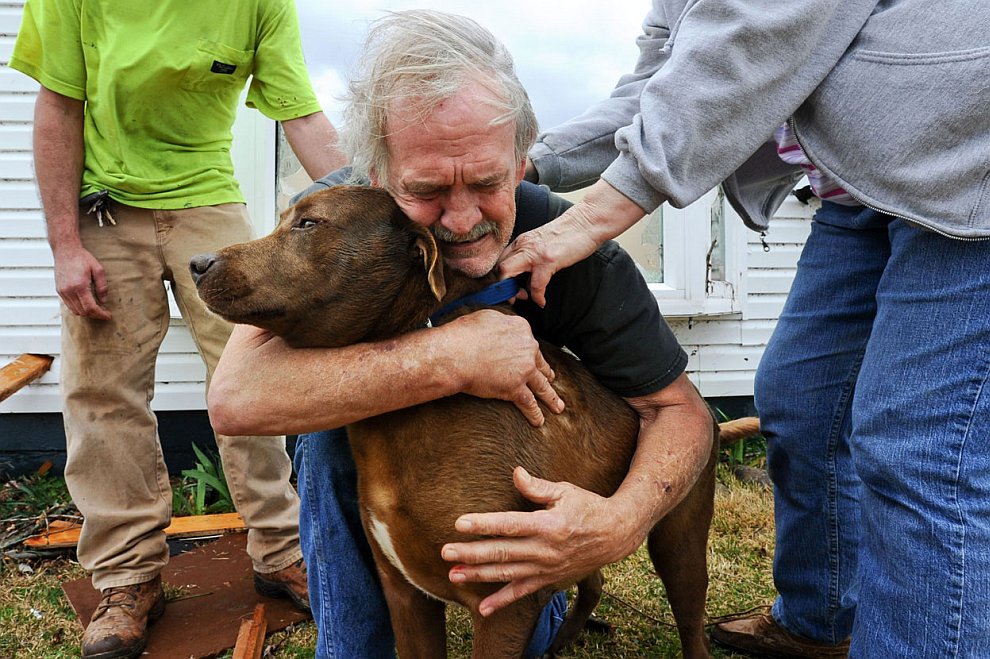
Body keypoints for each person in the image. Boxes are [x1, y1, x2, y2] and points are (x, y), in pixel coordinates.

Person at [207, 9, 716, 658]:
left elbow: (681, 410)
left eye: (486, 181)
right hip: (386, 462)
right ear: (376, 176)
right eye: (426, 189)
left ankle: (539, 585)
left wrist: (618, 523)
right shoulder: (339, 221)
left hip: (518, 471)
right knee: (325, 433)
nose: (463, 217)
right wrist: (450, 356)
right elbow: (236, 397)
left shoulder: (571, 248)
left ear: (520, 162)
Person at [499, 0, 990, 656]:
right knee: (803, 399)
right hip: (865, 189)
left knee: (921, 446)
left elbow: (761, 30)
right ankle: (819, 622)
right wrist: (524, 164)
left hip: (963, 164)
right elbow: (659, 86)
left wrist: (592, 216)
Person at [9, 1, 346, 657]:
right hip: (107, 206)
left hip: (208, 196)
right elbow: (58, 109)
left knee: (256, 376)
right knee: (102, 393)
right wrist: (64, 247)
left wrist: (377, 197)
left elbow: (300, 114)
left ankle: (281, 552)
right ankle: (128, 579)